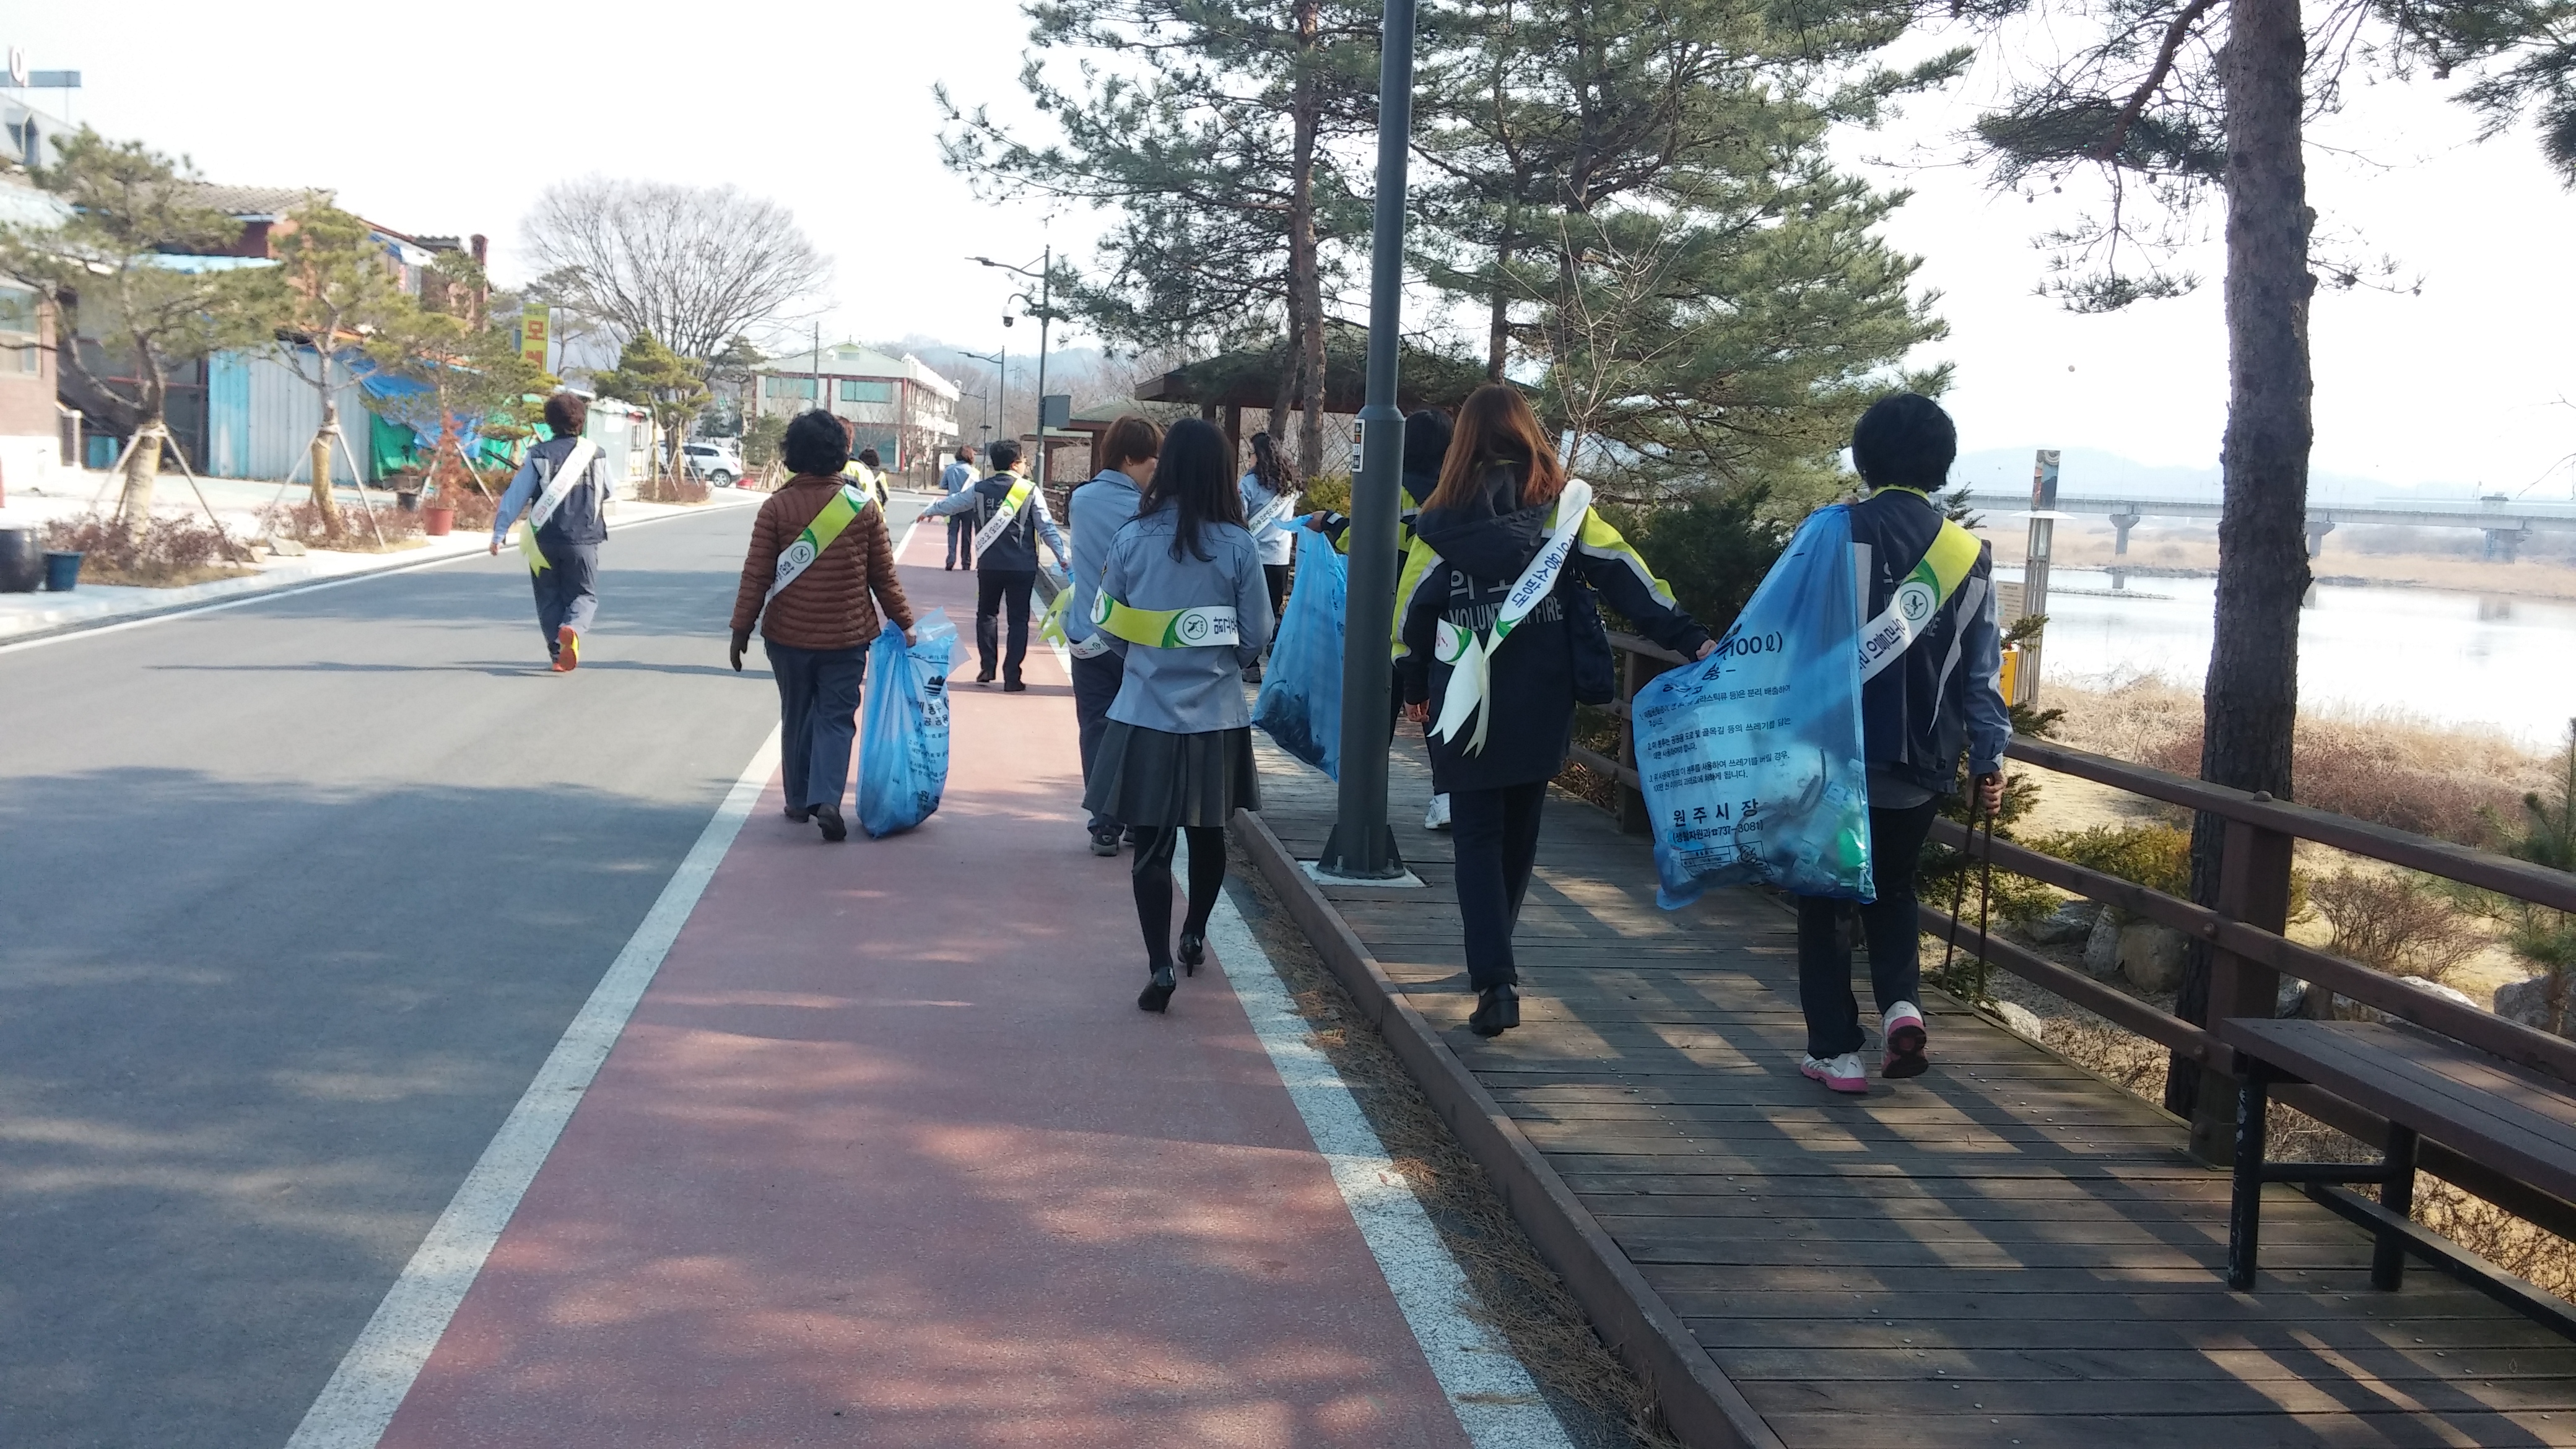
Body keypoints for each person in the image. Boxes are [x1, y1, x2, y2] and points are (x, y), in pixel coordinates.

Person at [1397, 385, 1715, 1037]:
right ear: (1528, 435)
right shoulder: (1564, 511)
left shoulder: (1439, 519)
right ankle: (1499, 961)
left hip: (1463, 696)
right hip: (1542, 692)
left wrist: (1410, 683)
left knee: (1475, 836)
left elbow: (1413, 611)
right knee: (1520, 831)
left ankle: (1495, 979)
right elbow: (1628, 576)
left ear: (1464, 443)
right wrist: (1692, 639)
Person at [1795, 393, 2009, 1093]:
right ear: (1941, 464)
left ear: (1864, 459)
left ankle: (1836, 1052)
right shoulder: (1968, 554)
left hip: (1833, 754)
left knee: (1827, 899)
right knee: (1892, 888)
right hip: (1922, 758)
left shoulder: (1833, 531)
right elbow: (1981, 672)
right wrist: (1989, 757)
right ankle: (1901, 1009)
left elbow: (1784, 630)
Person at [1082, 418, 1273, 1012]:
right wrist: (1220, 664)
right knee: (1209, 833)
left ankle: (1159, 965)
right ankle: (1194, 933)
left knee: (1152, 846)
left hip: (1145, 713)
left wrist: (1146, 662)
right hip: (1215, 716)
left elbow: (1107, 623)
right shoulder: (1238, 545)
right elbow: (1257, 633)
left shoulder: (1131, 538)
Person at [726, 409, 917, 843]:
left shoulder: (776, 507)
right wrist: (905, 623)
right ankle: (828, 799)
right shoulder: (863, 508)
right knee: (836, 717)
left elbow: (756, 575)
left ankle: (798, 801)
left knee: (796, 714)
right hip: (847, 636)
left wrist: (741, 630)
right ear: (842, 453)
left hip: (787, 636)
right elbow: (883, 578)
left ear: (792, 453)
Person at [1310, 408, 1459, 830]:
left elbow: (1363, 538)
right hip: (1446, 616)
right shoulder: (1454, 492)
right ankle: (1447, 797)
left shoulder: (1390, 487)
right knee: (1439, 706)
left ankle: (1363, 795)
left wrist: (1330, 522)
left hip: (1387, 614)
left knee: (1379, 707)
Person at [1065, 416, 1164, 856]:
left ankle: (1104, 823)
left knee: (1095, 729)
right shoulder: (1150, 508)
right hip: (1136, 637)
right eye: (1151, 460)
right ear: (1129, 459)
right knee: (1141, 729)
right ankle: (1139, 821)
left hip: (1087, 635)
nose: (1156, 469)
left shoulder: (1081, 499)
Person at [919, 438, 1072, 691]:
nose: (1025, 465)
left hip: (989, 564)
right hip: (1022, 565)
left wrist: (931, 510)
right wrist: (1062, 557)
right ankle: (1012, 676)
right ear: (1015, 464)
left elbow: (954, 503)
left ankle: (987, 668)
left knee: (987, 615)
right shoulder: (1030, 490)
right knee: (1018, 620)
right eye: (1023, 461)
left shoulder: (980, 489)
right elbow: (1046, 527)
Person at [490, 391, 617, 672]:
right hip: (584, 538)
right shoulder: (596, 454)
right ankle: (572, 628)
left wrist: (499, 532)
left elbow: (516, 495)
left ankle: (558, 656)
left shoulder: (538, 454)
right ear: (581, 421)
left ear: (549, 422)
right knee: (583, 595)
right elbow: (609, 490)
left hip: (544, 540)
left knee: (548, 597)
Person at [1238, 432, 1298, 682]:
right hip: (1280, 556)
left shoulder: (1249, 483)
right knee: (1274, 607)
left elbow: (1239, 515)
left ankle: (1251, 665)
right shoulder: (1289, 482)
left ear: (1258, 455)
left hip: (1255, 556)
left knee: (1250, 610)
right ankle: (1277, 646)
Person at [940, 444, 978, 570]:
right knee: (967, 534)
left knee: (952, 533)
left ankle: (951, 559)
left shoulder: (950, 469)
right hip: (968, 506)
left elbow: (943, 485)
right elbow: (977, 489)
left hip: (952, 504)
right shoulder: (973, 472)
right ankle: (966, 562)